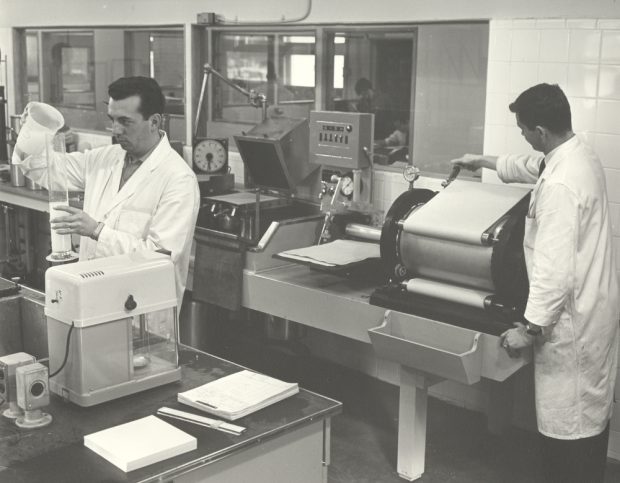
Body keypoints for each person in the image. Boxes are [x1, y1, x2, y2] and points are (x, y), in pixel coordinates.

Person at [452, 83, 619, 483]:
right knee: (589, 420)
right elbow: (531, 166)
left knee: (569, 431)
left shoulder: (561, 186)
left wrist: (529, 329)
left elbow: (553, 270)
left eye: (524, 128)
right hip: (594, 309)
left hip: (572, 323)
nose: (523, 135)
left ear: (541, 130)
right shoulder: (575, 154)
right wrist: (483, 161)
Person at [13, 76, 200, 310]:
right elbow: (47, 169)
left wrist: (97, 231)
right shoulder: (106, 158)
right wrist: (31, 135)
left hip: (142, 311)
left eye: (125, 121)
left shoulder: (178, 179)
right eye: (112, 119)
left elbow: (161, 257)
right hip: (92, 300)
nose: (116, 129)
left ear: (154, 122)